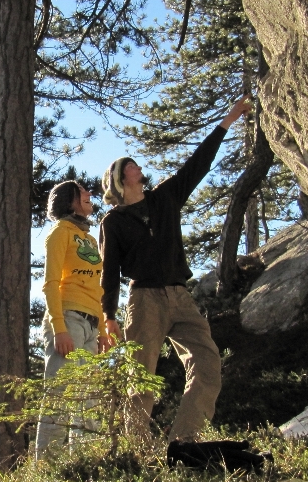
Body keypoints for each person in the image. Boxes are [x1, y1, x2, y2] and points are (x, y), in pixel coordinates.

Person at [99, 95, 254, 442]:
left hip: (180, 296)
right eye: (130, 165)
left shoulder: (165, 197)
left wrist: (228, 119)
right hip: (144, 299)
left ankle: (184, 441)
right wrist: (108, 316)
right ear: (120, 179)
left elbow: (198, 163)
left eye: (135, 163)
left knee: (208, 361)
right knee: (141, 378)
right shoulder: (113, 222)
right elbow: (109, 271)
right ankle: (136, 449)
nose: (137, 166)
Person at [36, 180, 112, 456]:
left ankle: (84, 467)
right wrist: (59, 329)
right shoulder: (59, 233)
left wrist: (102, 330)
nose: (89, 195)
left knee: (88, 400)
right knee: (59, 397)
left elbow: (97, 289)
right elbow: (50, 283)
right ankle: (46, 474)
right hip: (67, 319)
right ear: (70, 201)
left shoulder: (90, 239)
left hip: (91, 323)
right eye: (83, 193)